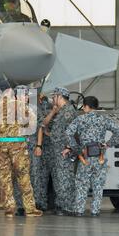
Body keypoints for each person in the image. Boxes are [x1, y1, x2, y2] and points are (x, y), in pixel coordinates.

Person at [0, 86, 42, 218]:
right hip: (17, 145)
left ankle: (9, 208)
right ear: (15, 95)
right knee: (23, 175)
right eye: (25, 95)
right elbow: (32, 125)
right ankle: (30, 209)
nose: (26, 97)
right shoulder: (23, 107)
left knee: (4, 177)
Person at [64, 96, 119, 217]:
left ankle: (79, 210)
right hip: (100, 157)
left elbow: (68, 133)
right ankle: (95, 211)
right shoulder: (104, 119)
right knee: (98, 185)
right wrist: (108, 144)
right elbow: (117, 130)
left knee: (81, 184)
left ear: (86, 106)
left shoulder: (80, 119)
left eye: (83, 106)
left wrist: (77, 149)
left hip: (85, 157)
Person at [36, 87, 77, 216]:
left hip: (63, 152)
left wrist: (69, 147)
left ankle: (67, 207)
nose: (52, 99)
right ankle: (61, 205)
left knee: (65, 178)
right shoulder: (61, 111)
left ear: (60, 96)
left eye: (54, 97)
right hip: (56, 151)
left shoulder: (68, 111)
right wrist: (50, 133)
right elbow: (59, 130)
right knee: (59, 179)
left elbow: (75, 132)